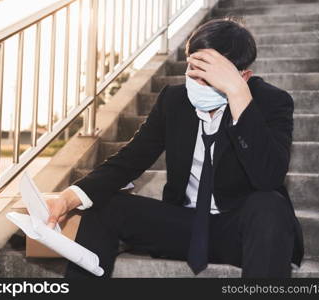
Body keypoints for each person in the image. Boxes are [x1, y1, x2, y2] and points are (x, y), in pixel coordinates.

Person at [45, 18, 304, 278]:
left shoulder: (271, 102)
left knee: (270, 205)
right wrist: (69, 197)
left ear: (243, 76)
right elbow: (130, 160)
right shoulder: (174, 100)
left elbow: (269, 177)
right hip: (184, 226)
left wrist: (239, 98)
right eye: (193, 68)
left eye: (210, 75)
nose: (198, 81)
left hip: (241, 231)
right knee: (103, 205)